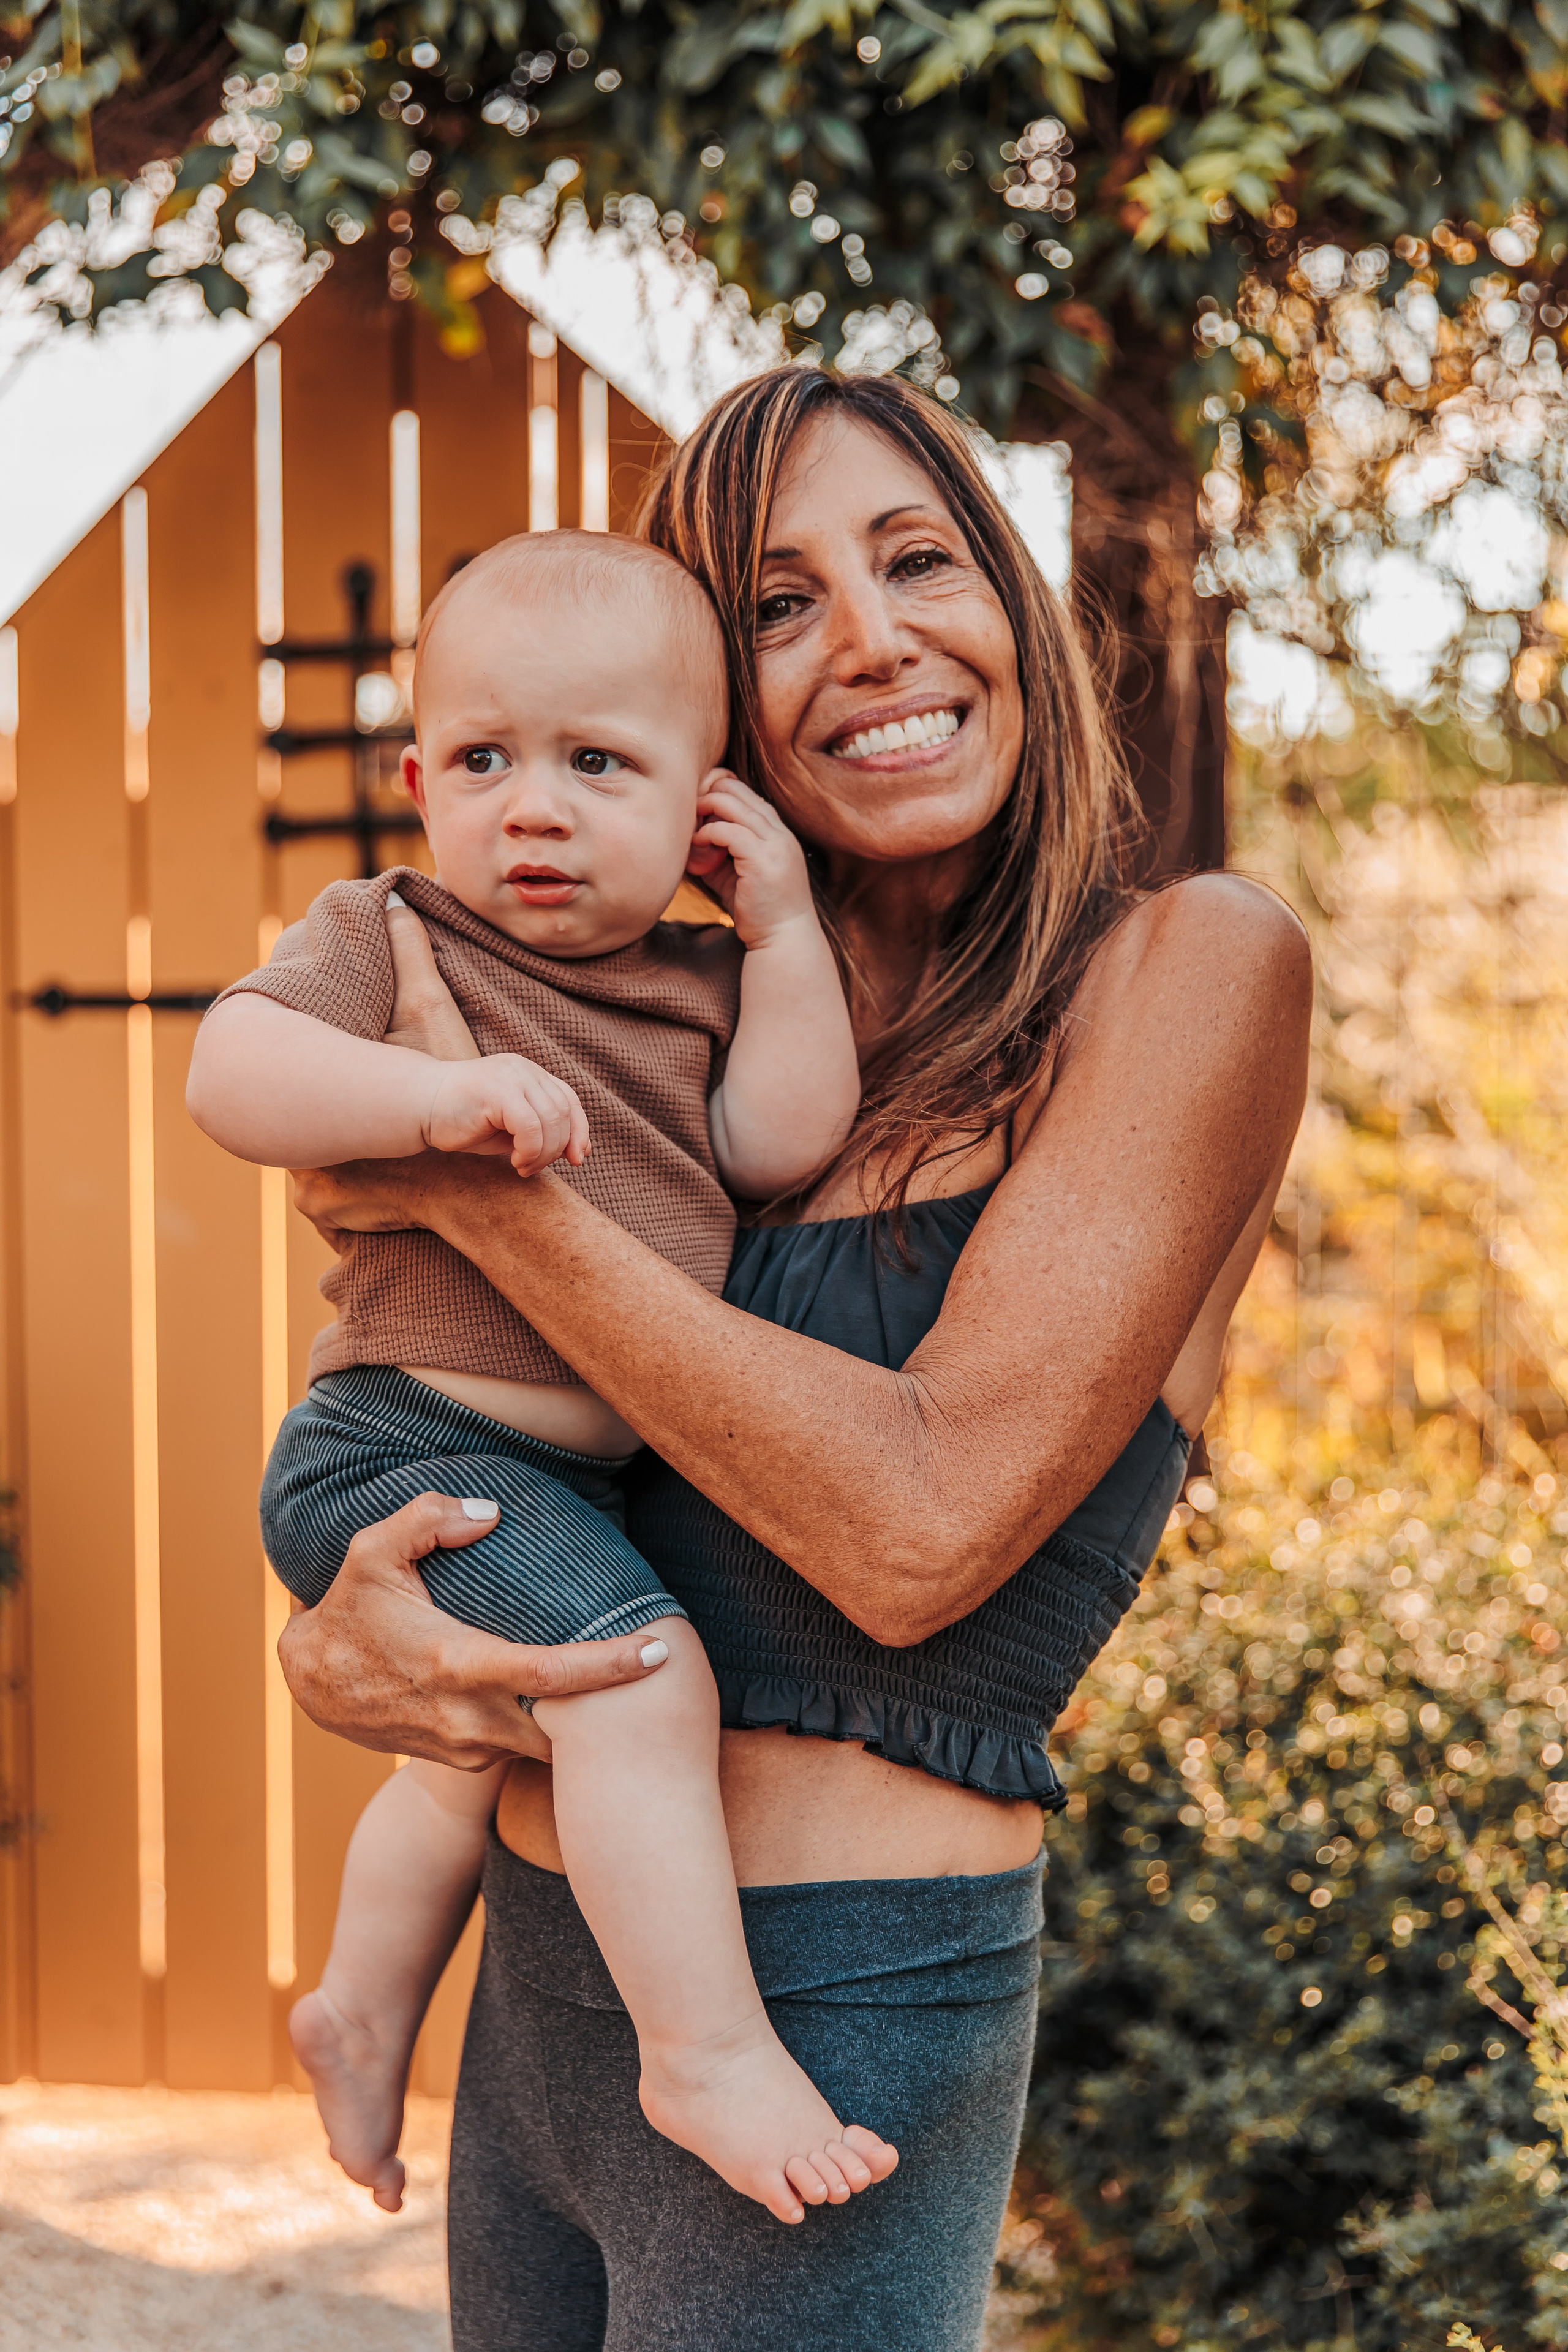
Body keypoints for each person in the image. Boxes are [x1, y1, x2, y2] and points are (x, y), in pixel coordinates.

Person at [278, 366, 1312, 2352]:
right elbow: (437, 1428)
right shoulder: (691, 1033)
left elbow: (923, 1527)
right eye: (774, 603)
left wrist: (491, 1196)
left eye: (919, 560)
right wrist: (349, 1640)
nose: (872, 640)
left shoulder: (1188, 969)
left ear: (1011, 607)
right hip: (551, 1973)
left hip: (840, 2006)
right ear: (705, 709)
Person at [187, 530, 896, 2224]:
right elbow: (232, 1069)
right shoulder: (390, 933)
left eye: (600, 766)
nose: (537, 809)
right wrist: (430, 1103)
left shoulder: (703, 984)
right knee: (638, 1684)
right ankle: (707, 2056)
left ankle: (360, 2014)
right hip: (395, 1446)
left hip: (566, 1481)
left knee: (484, 1754)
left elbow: (781, 1139)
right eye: (489, 762)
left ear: (703, 806)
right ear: (420, 783)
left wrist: (785, 929)